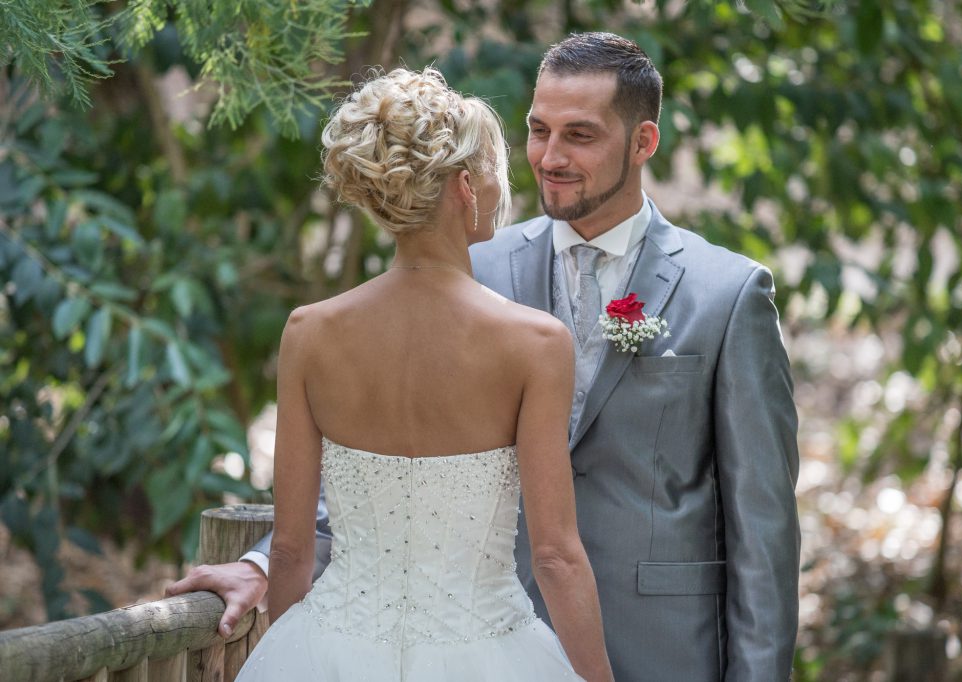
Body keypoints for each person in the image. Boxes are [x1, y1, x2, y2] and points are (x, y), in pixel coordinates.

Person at [169, 33, 800, 681]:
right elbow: (380, 478)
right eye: (537, 130)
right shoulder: (480, 267)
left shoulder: (727, 293)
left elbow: (763, 528)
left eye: (579, 135)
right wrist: (259, 563)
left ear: (644, 142)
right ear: (467, 187)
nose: (549, 157)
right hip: (499, 647)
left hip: (665, 645)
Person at [221, 67, 612, 681]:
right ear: (463, 186)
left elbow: (291, 550)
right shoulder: (535, 344)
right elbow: (557, 557)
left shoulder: (310, 333)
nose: (500, 181)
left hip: (330, 648)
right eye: (491, 165)